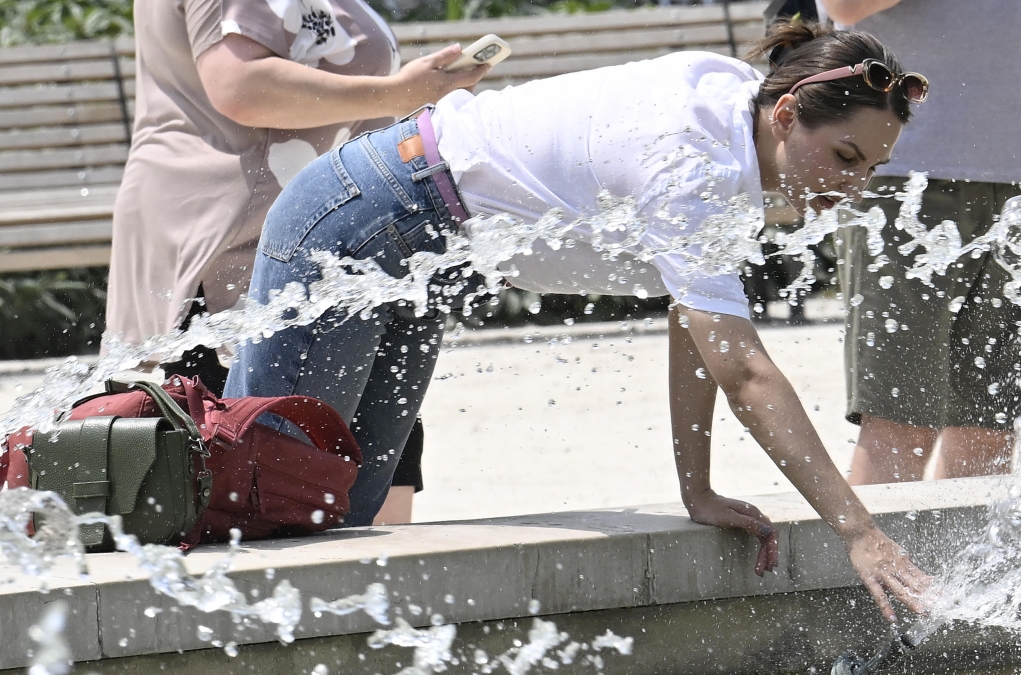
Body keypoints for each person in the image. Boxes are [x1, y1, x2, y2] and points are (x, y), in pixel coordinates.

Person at [225, 21, 933, 622]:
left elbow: (694, 328)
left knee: (342, 505)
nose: (853, 184)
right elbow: (745, 372)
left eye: (870, 166)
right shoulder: (694, 165)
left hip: (422, 240)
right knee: (270, 495)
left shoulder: (733, 117)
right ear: (785, 114)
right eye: (845, 156)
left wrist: (698, 489)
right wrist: (858, 529)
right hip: (364, 218)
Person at [104, 0, 488, 522]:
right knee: (247, 481)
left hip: (346, 242)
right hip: (227, 244)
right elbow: (239, 86)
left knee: (359, 485)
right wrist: (400, 93)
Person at [821, 0, 1021, 484]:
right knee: (900, 424)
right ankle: (869, 560)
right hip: (905, 181)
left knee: (989, 427)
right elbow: (846, 6)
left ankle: (960, 562)